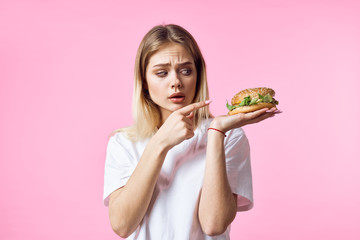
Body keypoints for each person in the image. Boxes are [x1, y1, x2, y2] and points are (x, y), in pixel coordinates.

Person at [103, 24, 280, 240]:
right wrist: (160, 143)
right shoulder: (123, 142)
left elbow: (214, 224)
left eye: (186, 71)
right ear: (145, 81)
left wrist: (215, 132)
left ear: (198, 76)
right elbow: (122, 225)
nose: (176, 82)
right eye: (161, 73)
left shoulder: (230, 136)